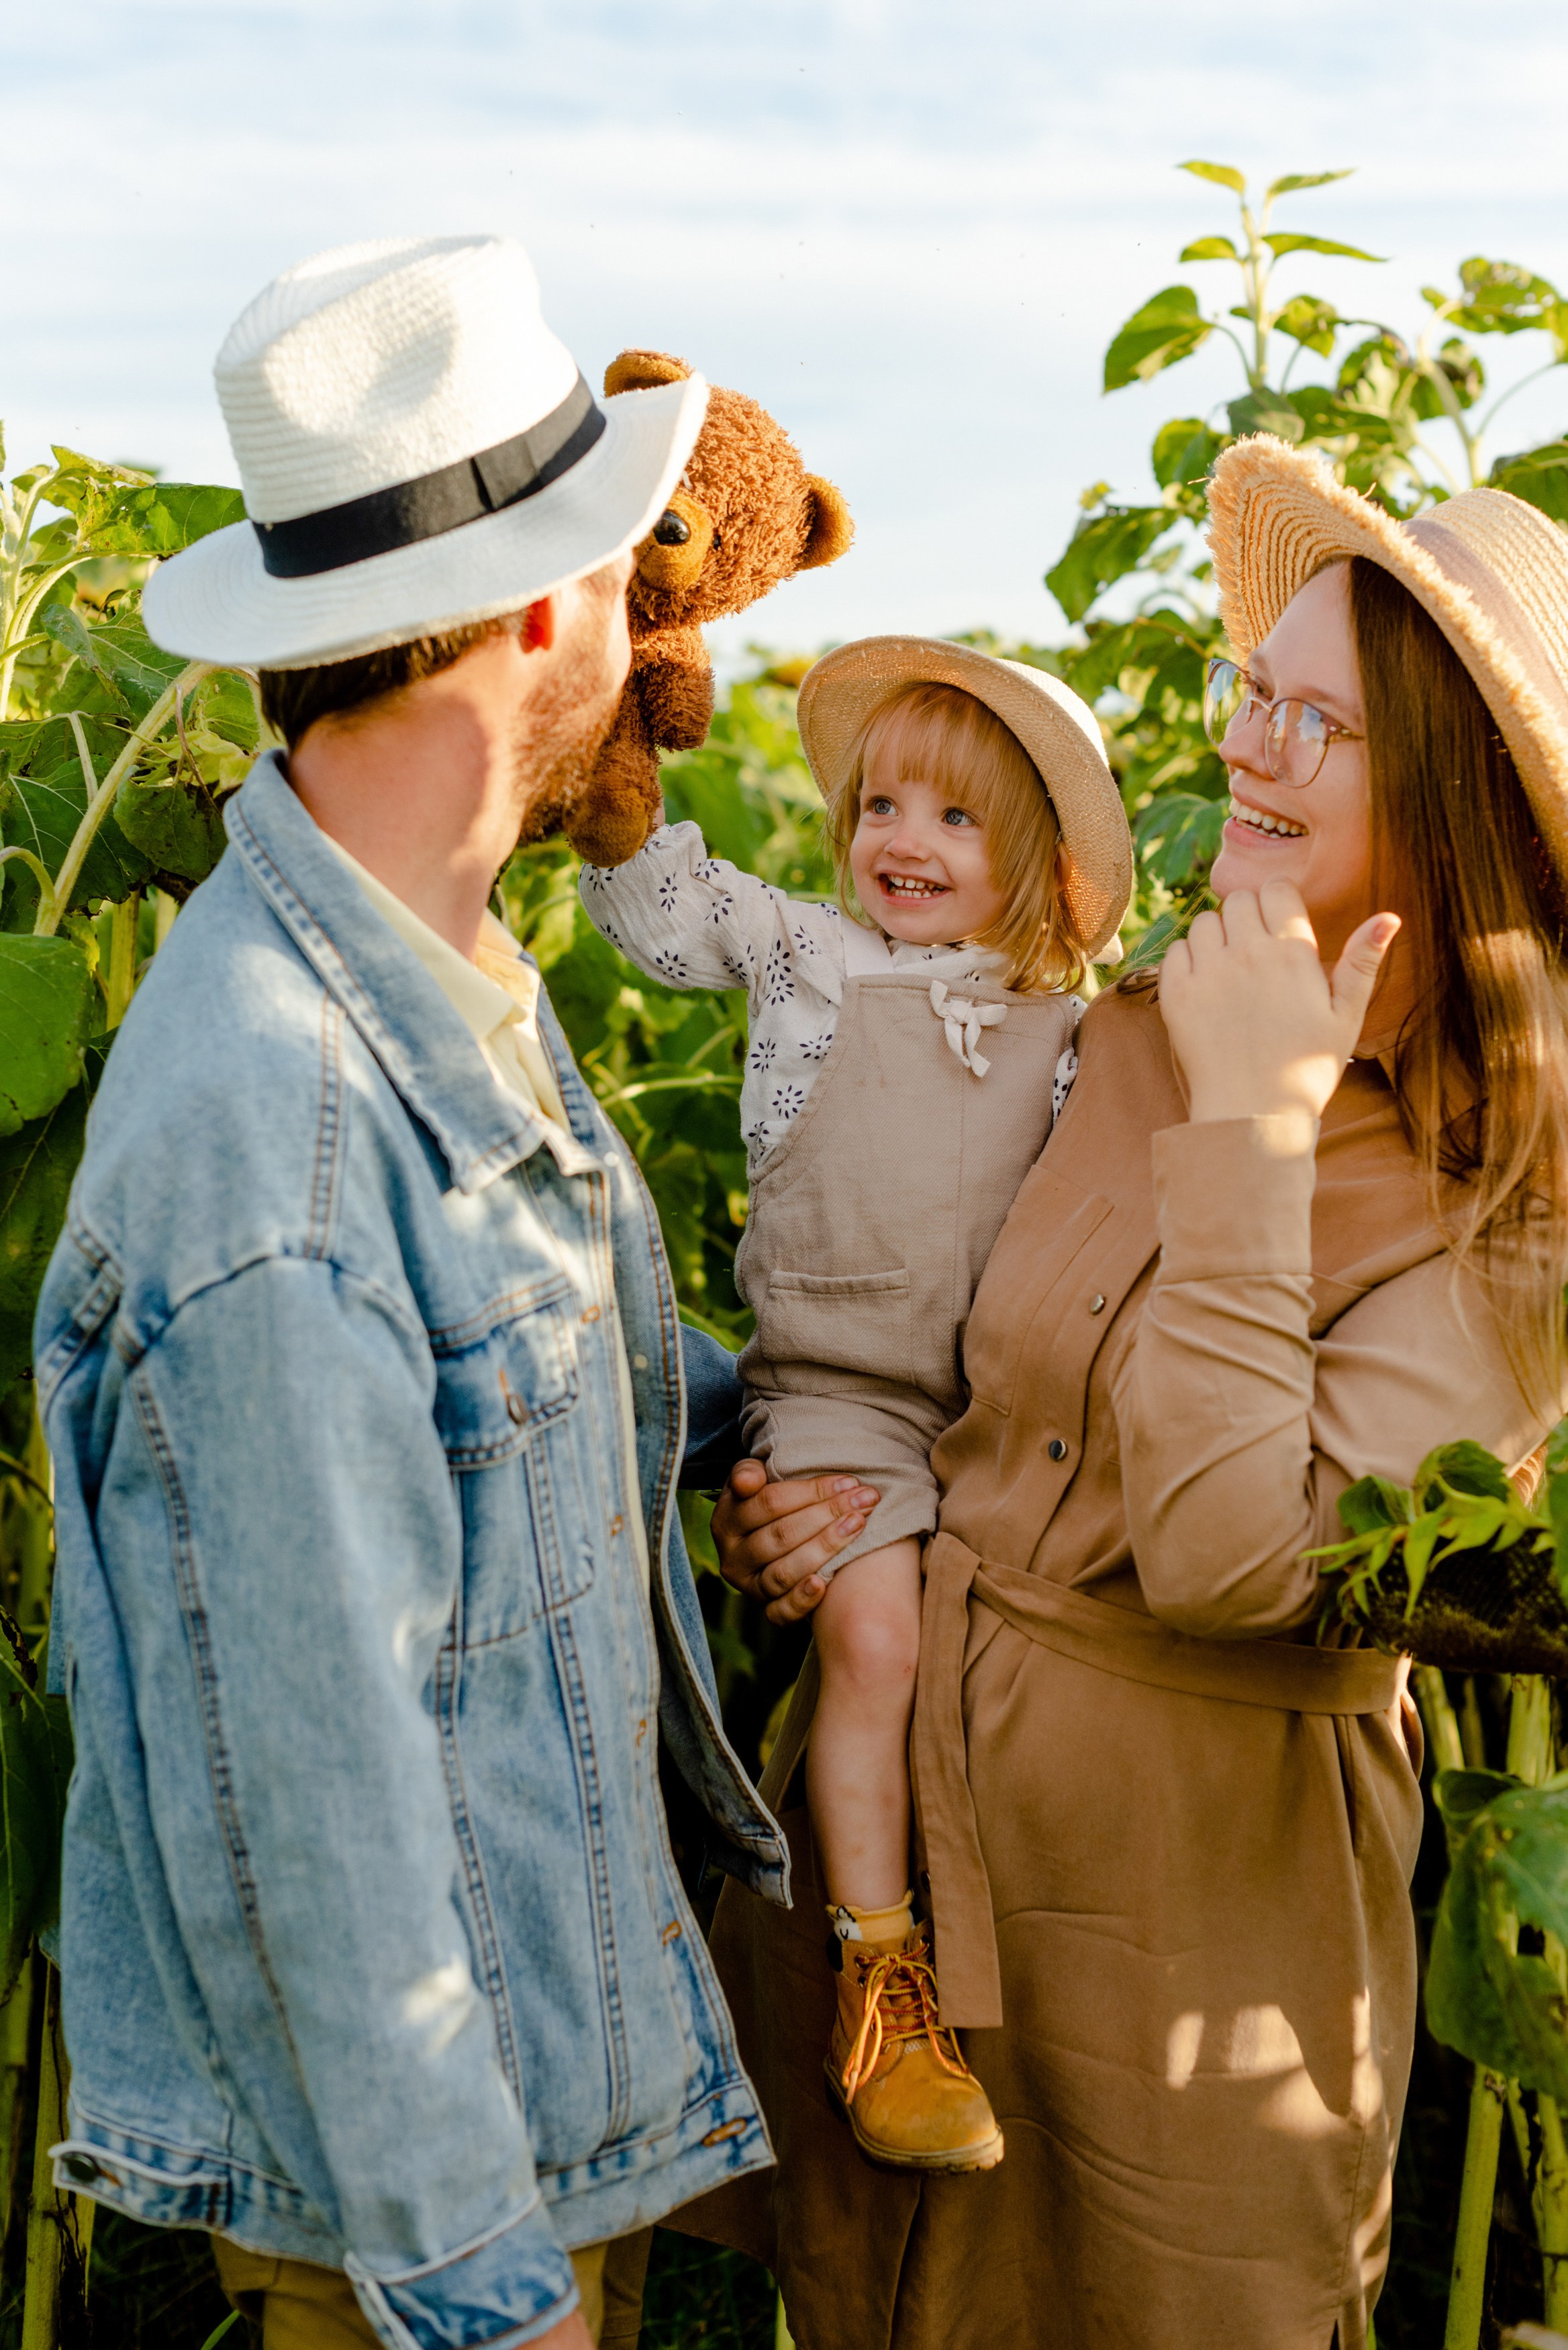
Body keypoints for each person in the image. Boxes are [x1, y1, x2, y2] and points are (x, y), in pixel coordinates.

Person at [683, 439, 1568, 2349]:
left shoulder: (1517, 1201)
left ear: (1454, 800)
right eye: (1256, 694)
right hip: (920, 1876)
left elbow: (1232, 1556)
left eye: (1314, 724)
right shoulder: (1135, 1020)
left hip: (1191, 1941)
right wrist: (829, 1503)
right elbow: (944, 1358)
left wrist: (1258, 1131)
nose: (1248, 749)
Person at [35, 234, 789, 2350]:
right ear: (553, 607)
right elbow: (328, 1811)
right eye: (630, 579)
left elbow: (501, 1407)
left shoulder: (425, 971)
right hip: (435, 2240)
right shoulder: (271, 1136)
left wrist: (783, 1416)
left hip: (543, 2130)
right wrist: (487, 2294)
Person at [579, 641, 1130, 2171]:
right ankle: (876, 1973)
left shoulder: (1074, 1027)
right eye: (879, 802)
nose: (900, 838)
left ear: (1039, 857)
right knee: (874, 1635)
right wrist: (616, 761)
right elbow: (660, 903)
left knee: (1000, 1674)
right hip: (836, 1392)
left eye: (954, 819)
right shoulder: (809, 954)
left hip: (1011, 1406)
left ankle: (1007, 1983)